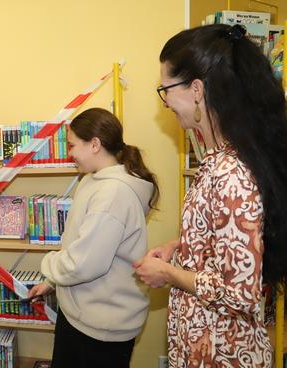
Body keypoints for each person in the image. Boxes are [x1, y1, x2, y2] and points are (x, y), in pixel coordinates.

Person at [134, 24, 287, 367]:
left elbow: (240, 294)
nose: (166, 101)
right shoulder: (218, 159)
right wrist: (180, 245)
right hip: (204, 342)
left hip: (223, 351)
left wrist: (169, 274)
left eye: (166, 88)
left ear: (197, 90)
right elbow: (228, 238)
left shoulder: (230, 174)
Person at [28, 107, 159, 367]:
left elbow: (84, 263)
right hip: (81, 316)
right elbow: (83, 245)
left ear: (95, 144)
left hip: (101, 330)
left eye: (72, 145)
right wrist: (53, 282)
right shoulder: (92, 180)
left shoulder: (113, 194)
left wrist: (48, 264)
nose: (70, 153)